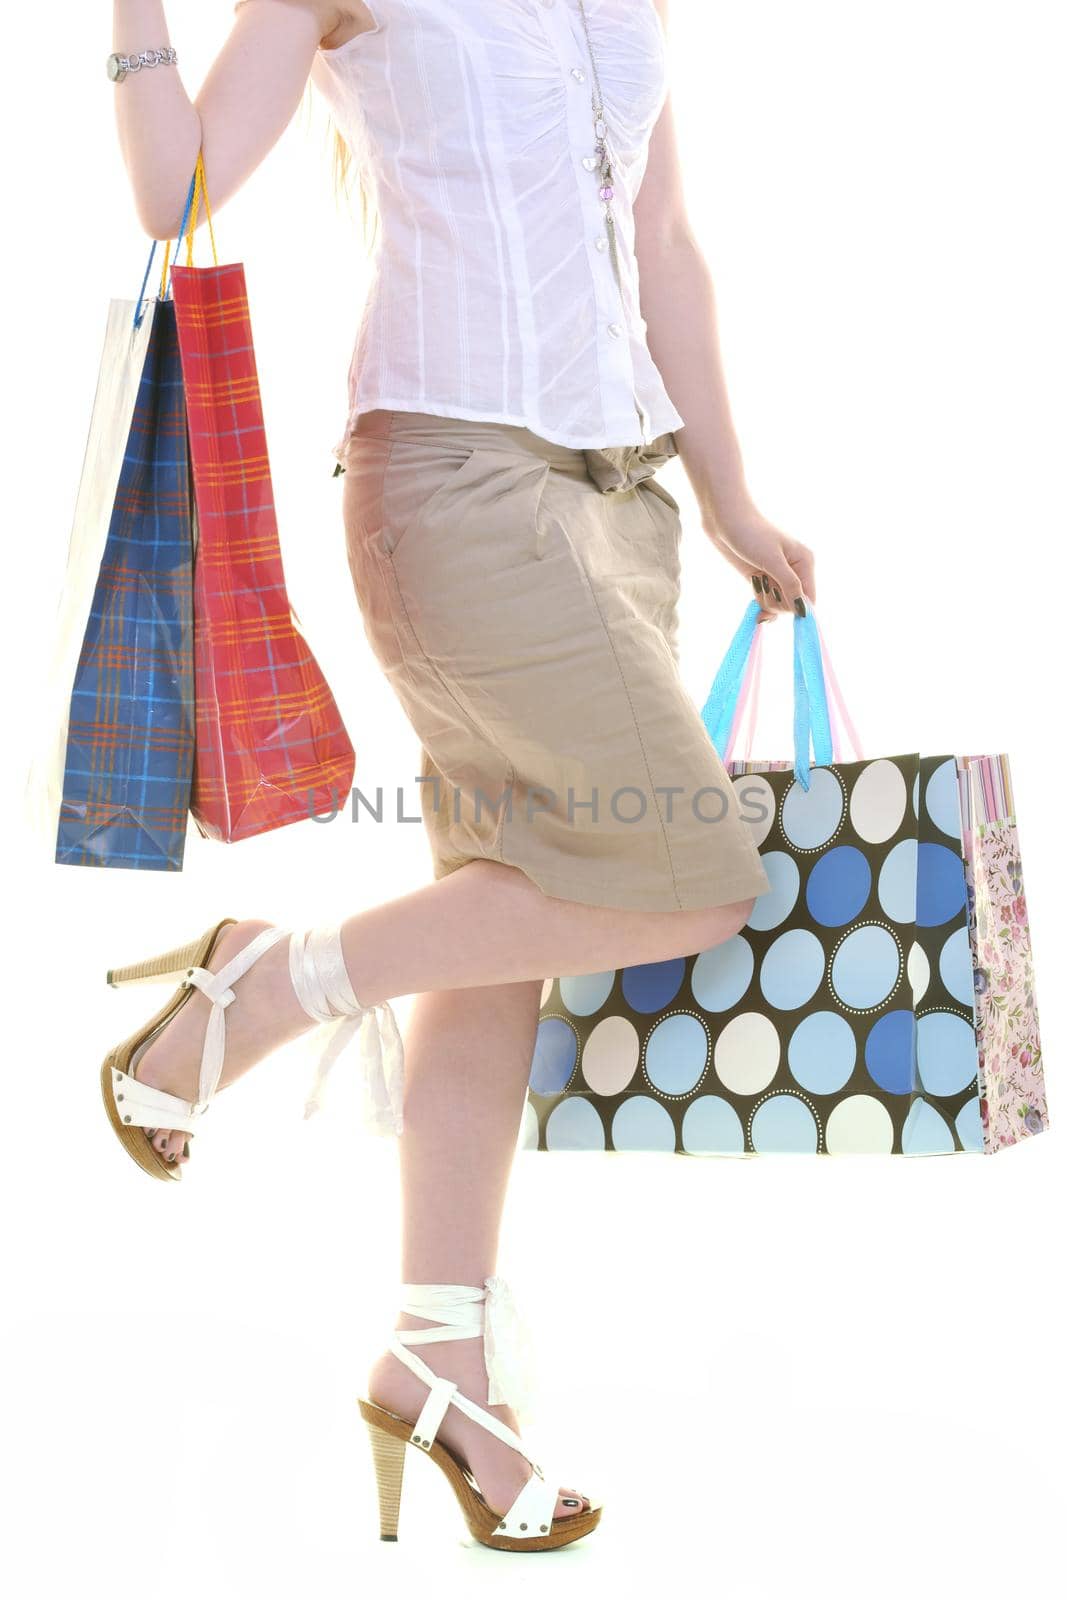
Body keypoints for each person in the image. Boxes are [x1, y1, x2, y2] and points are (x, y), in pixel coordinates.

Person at [103, 0, 816, 1552]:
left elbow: (668, 237)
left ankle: (438, 1349)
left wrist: (728, 491)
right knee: (689, 886)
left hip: (621, 505)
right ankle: (262, 984)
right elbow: (181, 190)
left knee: (503, 930)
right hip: (455, 486)